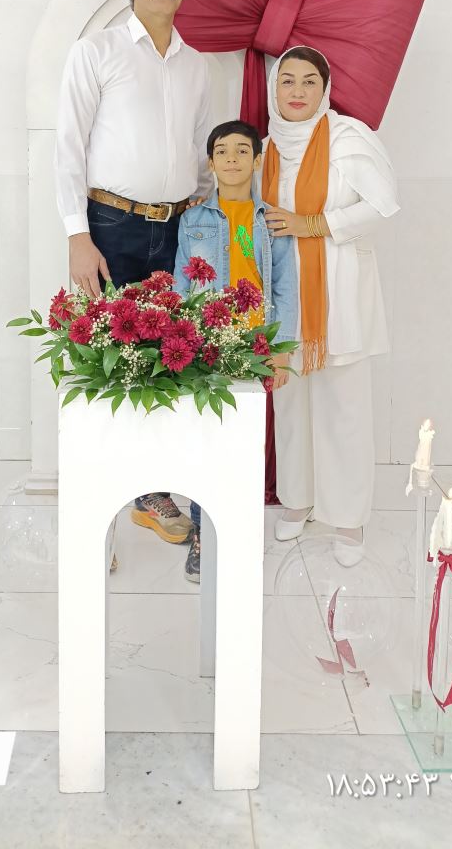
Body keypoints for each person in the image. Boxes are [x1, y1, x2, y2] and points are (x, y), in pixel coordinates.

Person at [55, 0, 212, 546]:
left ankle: (154, 491)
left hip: (178, 229)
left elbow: (202, 154)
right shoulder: (95, 52)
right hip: (110, 227)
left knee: (171, 362)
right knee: (110, 364)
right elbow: (68, 146)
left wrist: (204, 225)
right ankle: (102, 509)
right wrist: (77, 234)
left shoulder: (197, 66)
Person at [262, 46, 399, 566]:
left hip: (338, 292)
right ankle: (297, 501)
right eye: (287, 81)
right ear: (274, 89)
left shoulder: (348, 138)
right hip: (283, 294)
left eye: (309, 82)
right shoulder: (266, 147)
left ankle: (346, 519)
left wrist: (315, 225)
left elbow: (382, 206)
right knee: (290, 402)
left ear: (325, 91)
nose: (297, 92)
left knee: (344, 407)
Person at [173, 119, 298, 581]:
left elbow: (284, 287)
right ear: (210, 162)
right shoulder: (193, 220)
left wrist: (280, 351)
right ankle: (203, 536)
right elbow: (183, 281)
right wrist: (183, 339)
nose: (231, 159)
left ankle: (240, 534)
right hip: (208, 344)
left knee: (245, 443)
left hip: (253, 345)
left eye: (242, 150)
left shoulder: (272, 221)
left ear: (257, 160)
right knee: (205, 440)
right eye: (222, 151)